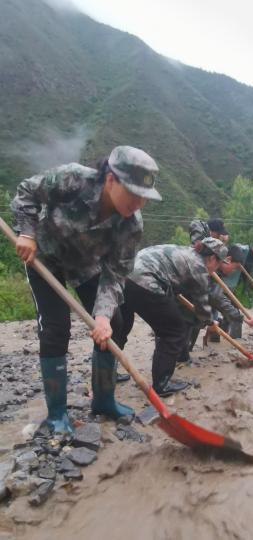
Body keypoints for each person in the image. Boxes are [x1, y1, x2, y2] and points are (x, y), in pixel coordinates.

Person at [11, 146, 162, 434]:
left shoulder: (131, 226)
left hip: (85, 265)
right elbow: (26, 192)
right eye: (132, 193)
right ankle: (56, 415)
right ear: (110, 180)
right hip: (44, 255)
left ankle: (103, 400)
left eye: (144, 197)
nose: (138, 202)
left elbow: (116, 272)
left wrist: (102, 316)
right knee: (56, 328)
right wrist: (27, 233)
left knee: (114, 324)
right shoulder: (72, 179)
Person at [119, 238, 228, 397]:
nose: (217, 269)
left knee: (121, 327)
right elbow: (202, 307)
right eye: (218, 264)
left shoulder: (185, 252)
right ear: (212, 258)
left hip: (124, 276)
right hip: (145, 279)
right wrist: (210, 323)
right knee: (174, 331)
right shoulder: (199, 267)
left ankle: (108, 375)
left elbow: (171, 282)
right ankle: (161, 385)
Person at [187, 244, 253, 348]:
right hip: (181, 294)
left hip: (192, 297)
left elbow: (218, 299)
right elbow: (217, 298)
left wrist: (242, 319)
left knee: (198, 318)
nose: (233, 272)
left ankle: (185, 352)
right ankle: (183, 354)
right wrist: (243, 319)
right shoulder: (207, 264)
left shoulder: (218, 272)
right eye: (234, 268)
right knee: (191, 319)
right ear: (228, 259)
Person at [222, 239, 253, 338]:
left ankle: (221, 334)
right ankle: (233, 337)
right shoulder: (243, 251)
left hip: (236, 288)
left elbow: (250, 279)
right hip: (226, 284)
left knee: (230, 310)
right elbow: (230, 250)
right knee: (231, 311)